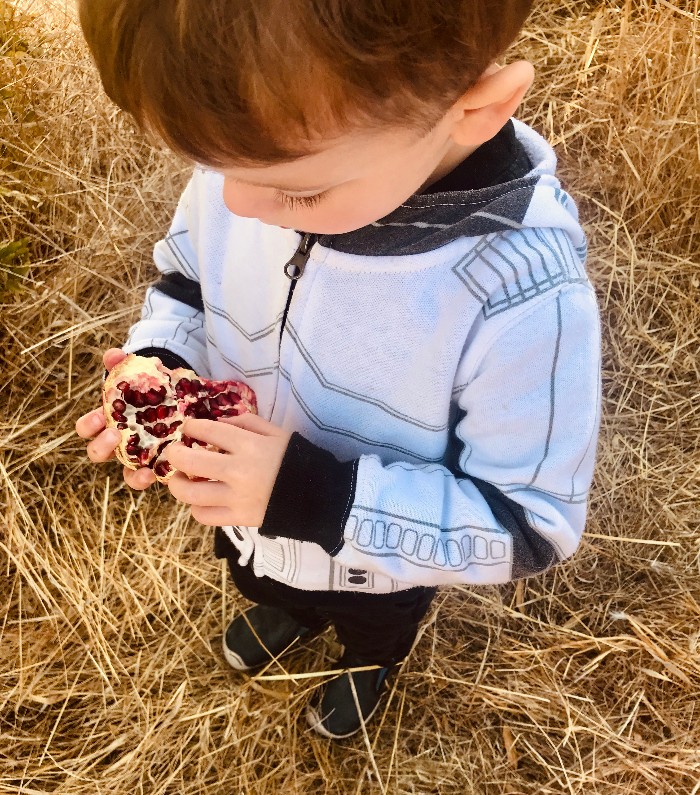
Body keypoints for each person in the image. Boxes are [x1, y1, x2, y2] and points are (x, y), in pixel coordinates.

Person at [75, 0, 601, 739]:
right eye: (210, 167)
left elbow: (529, 524)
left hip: (380, 569)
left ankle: (369, 663)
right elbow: (187, 280)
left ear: (475, 111)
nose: (234, 205)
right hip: (252, 524)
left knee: (372, 621)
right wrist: (163, 365)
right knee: (261, 575)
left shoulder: (520, 295)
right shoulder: (261, 162)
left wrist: (316, 499)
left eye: (297, 191)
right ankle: (288, 605)